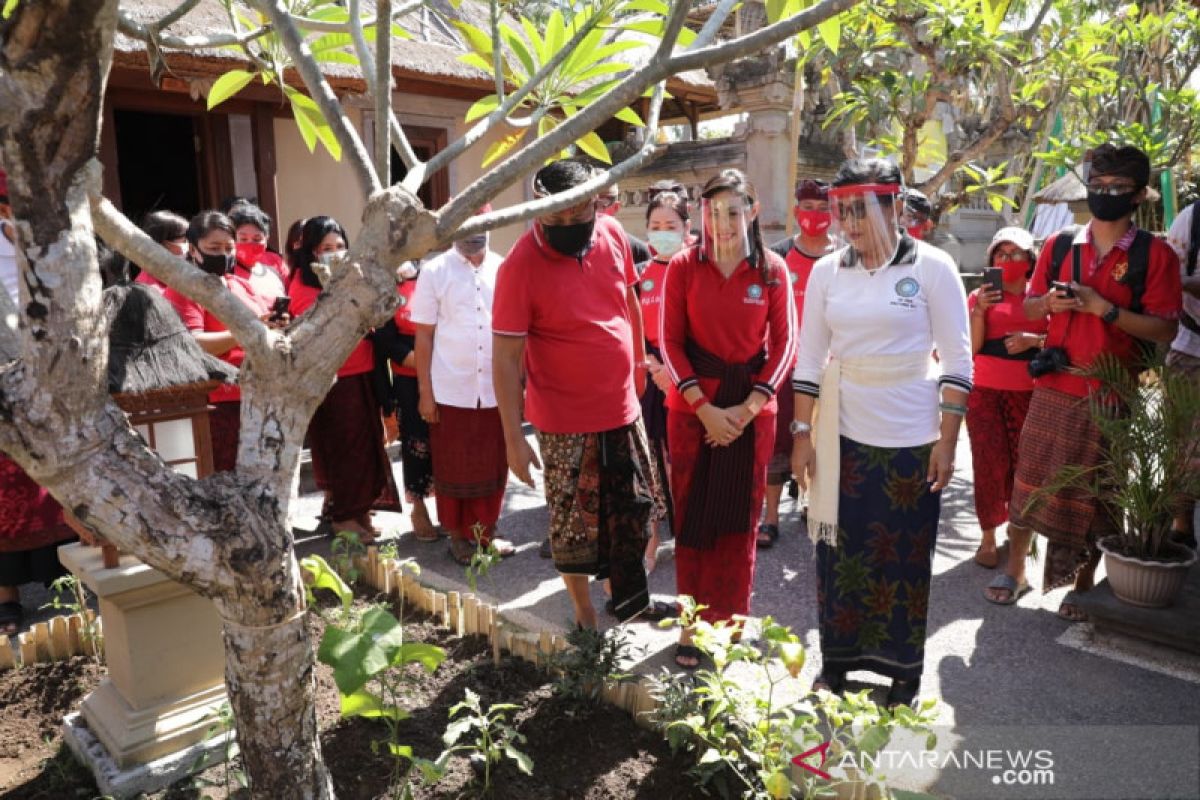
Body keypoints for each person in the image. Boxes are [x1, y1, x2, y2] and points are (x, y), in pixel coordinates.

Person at [791, 158, 972, 707]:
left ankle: (902, 673)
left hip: (912, 436)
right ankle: (838, 665)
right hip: (841, 433)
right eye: (841, 210)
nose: (849, 223)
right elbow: (810, 355)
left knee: (904, 559)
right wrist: (802, 433)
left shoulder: (935, 267)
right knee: (838, 557)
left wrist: (947, 439)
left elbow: (959, 359)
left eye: (861, 210)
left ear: (895, 206)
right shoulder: (827, 272)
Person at [988, 144, 1182, 619]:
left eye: (1117, 188)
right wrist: (1049, 306)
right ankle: (1015, 571)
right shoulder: (1058, 246)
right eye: (1098, 186)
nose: (1105, 194)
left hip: (1111, 390)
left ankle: (1083, 581)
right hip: (1054, 385)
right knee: (1029, 481)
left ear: (1138, 196)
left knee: (1100, 494)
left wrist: (1105, 309)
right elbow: (1030, 306)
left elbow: (1166, 328)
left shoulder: (1153, 254)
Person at [492, 159, 661, 629]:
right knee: (574, 527)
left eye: (577, 214)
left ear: (595, 203)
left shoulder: (610, 234)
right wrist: (512, 437)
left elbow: (627, 298)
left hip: (622, 407)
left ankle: (624, 599)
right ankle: (584, 612)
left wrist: (638, 358)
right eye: (555, 218)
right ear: (538, 211)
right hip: (564, 420)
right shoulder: (519, 266)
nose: (568, 225)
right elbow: (506, 358)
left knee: (631, 511)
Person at [660, 169, 797, 668]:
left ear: (752, 212)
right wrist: (704, 408)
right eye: (713, 211)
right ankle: (692, 627)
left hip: (750, 415)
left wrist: (747, 408)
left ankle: (732, 627)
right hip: (691, 413)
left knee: (740, 525)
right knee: (693, 519)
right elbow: (669, 343)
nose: (722, 222)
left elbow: (785, 347)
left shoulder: (772, 270)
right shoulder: (683, 266)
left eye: (733, 211)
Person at [288, 216, 402, 542]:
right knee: (345, 450)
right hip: (335, 378)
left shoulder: (350, 277)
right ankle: (344, 516)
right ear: (310, 252)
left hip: (364, 371)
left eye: (340, 246)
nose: (334, 253)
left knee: (368, 447)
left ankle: (361, 510)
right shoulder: (303, 285)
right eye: (325, 248)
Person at [410, 220, 517, 565]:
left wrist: (520, 386)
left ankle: (488, 529)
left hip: (495, 386)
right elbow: (423, 335)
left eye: (479, 227)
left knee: (493, 460)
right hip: (449, 388)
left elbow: (515, 331)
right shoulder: (434, 271)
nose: (472, 237)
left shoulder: (504, 268)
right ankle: (458, 535)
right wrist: (425, 391)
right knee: (454, 464)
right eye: (464, 227)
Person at [0, 168, 77, 636]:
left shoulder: (51, 240)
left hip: (52, 372)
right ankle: (5, 597)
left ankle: (66, 585)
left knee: (59, 481)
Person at [162, 210, 286, 472]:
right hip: (218, 401)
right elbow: (194, 343)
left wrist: (273, 326)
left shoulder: (239, 284)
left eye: (229, 247)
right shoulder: (184, 289)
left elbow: (262, 327)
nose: (223, 254)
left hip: (258, 395)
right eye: (213, 247)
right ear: (194, 250)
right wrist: (249, 332)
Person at [759, 178, 836, 548]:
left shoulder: (846, 258)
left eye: (824, 209)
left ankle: (814, 508)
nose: (815, 216)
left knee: (824, 440)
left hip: (834, 368)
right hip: (785, 366)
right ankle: (771, 517)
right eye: (808, 208)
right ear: (795, 212)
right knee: (779, 443)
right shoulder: (776, 256)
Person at [967, 227, 1047, 569]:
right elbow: (969, 347)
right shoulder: (981, 296)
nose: (1009, 259)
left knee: (1024, 464)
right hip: (984, 389)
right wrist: (980, 310)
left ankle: (1020, 533)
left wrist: (1033, 340)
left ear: (1031, 260)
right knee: (988, 461)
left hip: (1031, 390)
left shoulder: (1042, 296)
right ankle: (987, 536)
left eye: (1017, 254)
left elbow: (1060, 340)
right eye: (1002, 254)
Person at [635, 185, 692, 572]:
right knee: (650, 462)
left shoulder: (699, 267)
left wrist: (675, 371)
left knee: (683, 463)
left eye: (670, 224)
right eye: (655, 225)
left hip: (689, 379)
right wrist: (651, 364)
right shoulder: (640, 274)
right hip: (650, 379)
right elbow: (630, 326)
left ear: (687, 227)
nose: (662, 231)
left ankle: (689, 537)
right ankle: (652, 540)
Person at [373, 268, 438, 542]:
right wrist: (422, 363)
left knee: (446, 443)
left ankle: (452, 507)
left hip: (447, 375)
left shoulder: (435, 276)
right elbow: (386, 342)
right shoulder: (387, 287)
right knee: (416, 444)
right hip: (408, 379)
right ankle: (419, 507)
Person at [1164, 199, 1200, 549]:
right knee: (1181, 442)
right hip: (1191, 344)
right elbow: (1169, 277)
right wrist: (1191, 282)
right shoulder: (1193, 218)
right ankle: (1181, 523)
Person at [227, 202, 289, 297]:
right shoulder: (225, 275)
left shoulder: (273, 274)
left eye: (257, 239)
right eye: (243, 239)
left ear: (266, 238)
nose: (250, 244)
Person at [133, 210, 189, 291]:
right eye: (185, 240)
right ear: (164, 244)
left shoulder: (177, 276)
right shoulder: (149, 289)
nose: (190, 245)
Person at [598, 182, 651, 264]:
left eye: (602, 205)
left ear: (616, 207)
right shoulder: (574, 247)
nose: (595, 212)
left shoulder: (638, 251)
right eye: (590, 205)